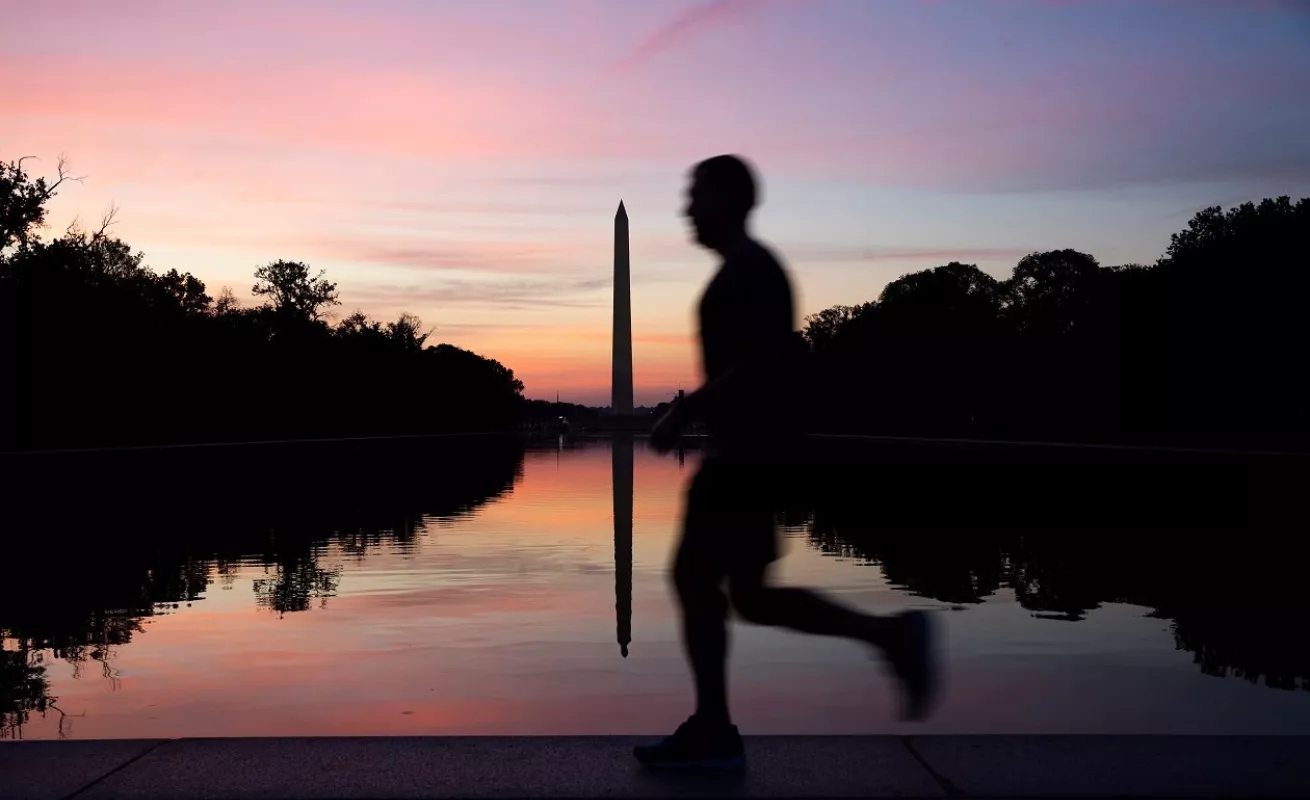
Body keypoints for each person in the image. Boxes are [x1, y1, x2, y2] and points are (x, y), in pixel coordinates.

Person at [635, 155, 939, 769]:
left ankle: (714, 731)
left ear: (730, 198)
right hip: (751, 451)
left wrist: (683, 410)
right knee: (747, 596)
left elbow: (767, 359)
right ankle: (886, 635)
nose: (686, 208)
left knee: (696, 581)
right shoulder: (742, 270)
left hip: (747, 455)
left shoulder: (751, 268)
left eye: (697, 195)